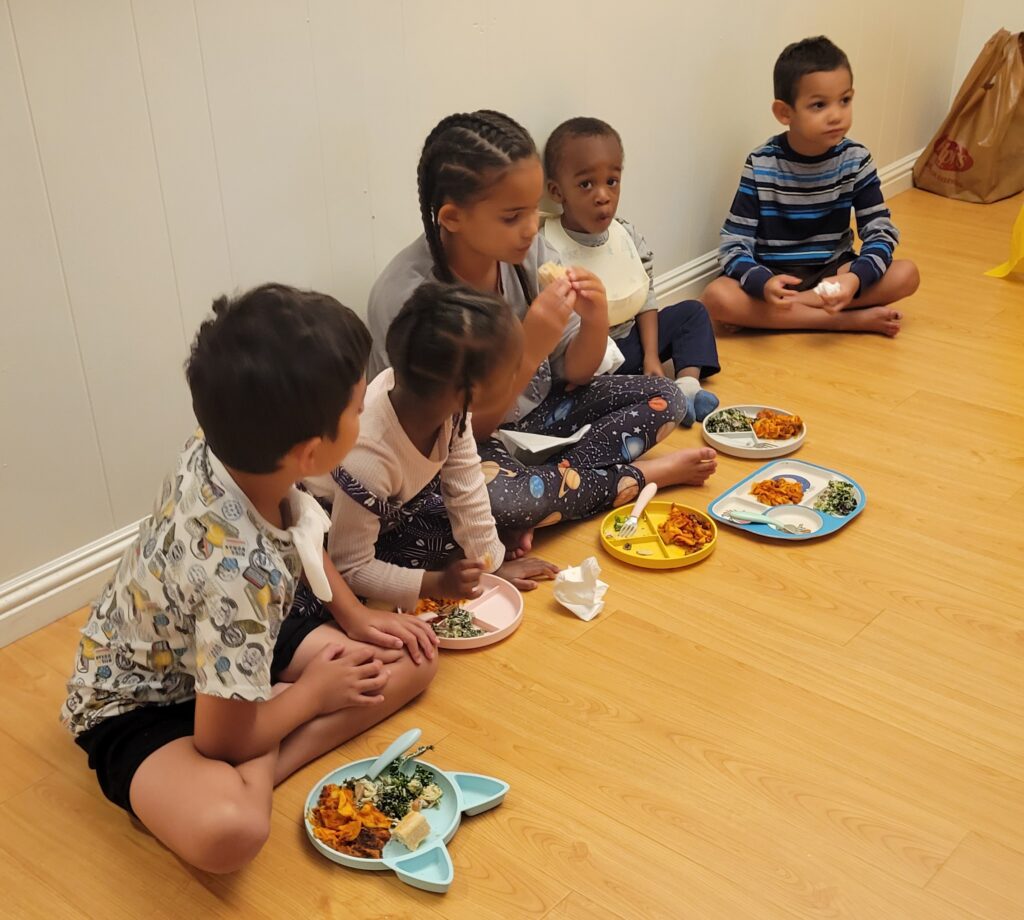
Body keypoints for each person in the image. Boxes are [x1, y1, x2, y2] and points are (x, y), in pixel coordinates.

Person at [61, 284, 437, 873]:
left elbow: (302, 526)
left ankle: (255, 741)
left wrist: (354, 613)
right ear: (311, 453)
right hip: (139, 703)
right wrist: (307, 695)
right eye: (359, 407)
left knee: (413, 660)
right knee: (230, 832)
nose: (367, 415)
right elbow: (222, 742)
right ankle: (250, 750)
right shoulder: (243, 574)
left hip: (232, 639)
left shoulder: (228, 444)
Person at [367, 109, 717, 546]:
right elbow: (450, 439)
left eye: (533, 210)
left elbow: (575, 373)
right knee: (502, 503)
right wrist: (528, 347)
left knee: (665, 396)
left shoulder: (525, 254)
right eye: (512, 217)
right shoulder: (409, 298)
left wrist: (594, 320)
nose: (531, 228)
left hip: (536, 418)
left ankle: (553, 487)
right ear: (453, 218)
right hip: (456, 451)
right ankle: (633, 478)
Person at [304, 281, 559, 614]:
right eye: (511, 371)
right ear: (471, 390)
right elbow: (349, 566)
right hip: (333, 528)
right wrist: (435, 584)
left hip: (399, 510)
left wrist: (490, 567)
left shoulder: (449, 407)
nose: (519, 378)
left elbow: (466, 488)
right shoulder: (368, 459)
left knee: (496, 513)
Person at [702, 36, 919, 336]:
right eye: (819, 105)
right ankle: (846, 320)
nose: (836, 114)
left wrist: (853, 280)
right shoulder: (762, 164)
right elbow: (733, 243)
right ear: (784, 113)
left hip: (834, 272)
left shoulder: (856, 159)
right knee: (717, 297)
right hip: (775, 276)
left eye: (845, 100)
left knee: (907, 275)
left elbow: (880, 230)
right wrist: (761, 282)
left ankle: (792, 312)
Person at [542, 116, 720, 426]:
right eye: (586, 184)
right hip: (591, 361)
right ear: (557, 192)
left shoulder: (626, 235)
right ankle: (643, 394)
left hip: (632, 341)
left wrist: (652, 355)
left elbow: (645, 294)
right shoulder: (547, 247)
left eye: (612, 181)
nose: (603, 195)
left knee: (693, 312)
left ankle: (688, 386)